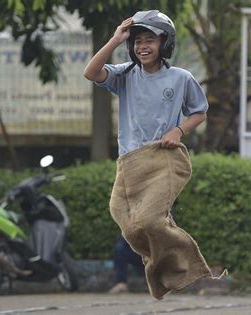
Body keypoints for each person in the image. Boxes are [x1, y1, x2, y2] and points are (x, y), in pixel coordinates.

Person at [83, 10, 214, 299]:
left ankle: (188, 267)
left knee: (150, 222)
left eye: (150, 40)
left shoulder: (181, 78)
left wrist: (178, 131)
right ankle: (162, 263)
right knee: (127, 225)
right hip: (130, 163)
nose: (143, 46)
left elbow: (199, 113)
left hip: (164, 159)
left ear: (164, 44)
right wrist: (115, 39)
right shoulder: (124, 75)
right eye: (138, 41)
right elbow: (90, 72)